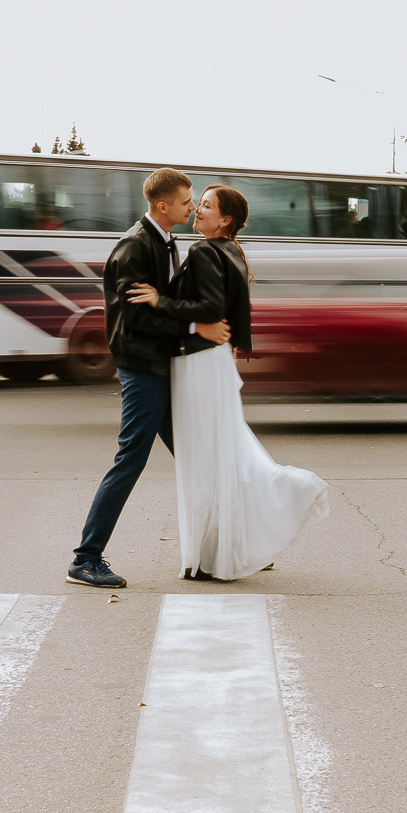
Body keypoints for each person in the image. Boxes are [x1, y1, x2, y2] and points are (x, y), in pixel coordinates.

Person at [129, 185, 328, 580]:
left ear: (225, 220)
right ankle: (239, 541)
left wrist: (158, 301)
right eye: (198, 203)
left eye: (205, 206)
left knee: (207, 457)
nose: (197, 210)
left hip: (199, 362)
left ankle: (221, 547)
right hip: (216, 360)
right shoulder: (232, 251)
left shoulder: (204, 251)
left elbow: (208, 309)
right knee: (222, 451)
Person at [67, 169, 230, 589]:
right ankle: (86, 559)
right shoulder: (135, 248)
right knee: (131, 460)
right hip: (143, 368)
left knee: (198, 456)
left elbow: (166, 302)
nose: (192, 206)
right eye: (185, 201)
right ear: (163, 206)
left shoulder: (163, 241)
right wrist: (196, 330)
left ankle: (228, 543)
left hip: (160, 364)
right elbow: (137, 318)